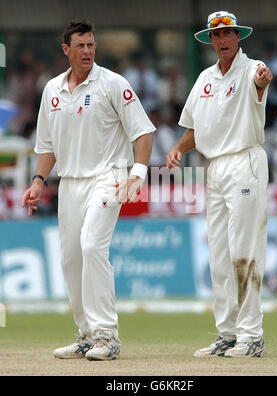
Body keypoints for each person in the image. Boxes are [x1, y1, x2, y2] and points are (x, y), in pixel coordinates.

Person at [22, 20, 155, 361]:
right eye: (80, 46)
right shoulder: (52, 89)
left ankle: (107, 336)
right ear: (65, 50)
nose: (87, 51)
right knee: (71, 260)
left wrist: (136, 173)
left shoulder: (113, 83)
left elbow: (143, 131)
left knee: (93, 245)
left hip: (107, 178)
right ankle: (87, 334)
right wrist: (39, 181)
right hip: (69, 184)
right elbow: (47, 146)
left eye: (91, 45)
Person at [166, 11, 272, 358]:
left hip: (245, 161)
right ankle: (227, 334)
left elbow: (261, 81)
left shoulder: (252, 67)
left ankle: (251, 335)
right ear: (210, 41)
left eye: (228, 34)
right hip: (216, 169)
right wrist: (177, 149)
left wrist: (263, 81)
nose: (223, 40)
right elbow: (196, 129)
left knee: (245, 250)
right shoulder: (204, 79)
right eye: (216, 35)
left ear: (237, 36)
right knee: (219, 256)